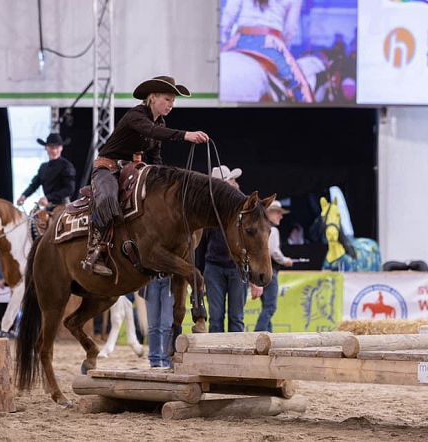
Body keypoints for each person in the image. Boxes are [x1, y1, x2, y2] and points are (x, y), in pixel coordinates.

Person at [83, 75, 209, 277]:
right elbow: (151, 131)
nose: (171, 104)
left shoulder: (160, 123)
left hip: (135, 170)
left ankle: (156, 249)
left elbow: (155, 157)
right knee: (107, 197)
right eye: (167, 99)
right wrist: (184, 135)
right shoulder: (136, 115)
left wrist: (164, 180)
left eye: (173, 101)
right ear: (152, 97)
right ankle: (96, 250)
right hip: (107, 168)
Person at [220, 0, 314, 103]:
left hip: (239, 42)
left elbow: (228, 16)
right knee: (299, 85)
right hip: (270, 45)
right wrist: (282, 45)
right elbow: (290, 30)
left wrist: (226, 42)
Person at [196, 165, 253, 333]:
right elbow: (201, 244)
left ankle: (234, 355)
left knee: (235, 317)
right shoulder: (209, 210)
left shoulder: (244, 208)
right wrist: (199, 274)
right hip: (214, 268)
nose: (235, 182)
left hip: (236, 268)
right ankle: (219, 354)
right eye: (231, 180)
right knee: (217, 317)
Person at [254, 200, 293, 332]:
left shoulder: (259, 228)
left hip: (261, 272)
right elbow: (274, 252)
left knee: (266, 305)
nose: (280, 216)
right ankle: (259, 332)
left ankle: (267, 334)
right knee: (270, 306)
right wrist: (285, 260)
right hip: (270, 271)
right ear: (269, 213)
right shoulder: (273, 230)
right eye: (278, 213)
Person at [16, 133, 76, 209]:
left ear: (61, 148)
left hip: (63, 206)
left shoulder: (66, 166)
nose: (54, 151)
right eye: (51, 148)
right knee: (33, 218)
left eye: (57, 148)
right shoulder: (43, 167)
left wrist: (48, 197)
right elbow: (34, 185)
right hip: (47, 206)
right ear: (46, 148)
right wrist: (24, 196)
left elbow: (69, 189)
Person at [143, 276, 173, 369]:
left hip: (170, 280)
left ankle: (167, 359)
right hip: (151, 279)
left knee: (167, 325)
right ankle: (154, 360)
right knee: (153, 325)